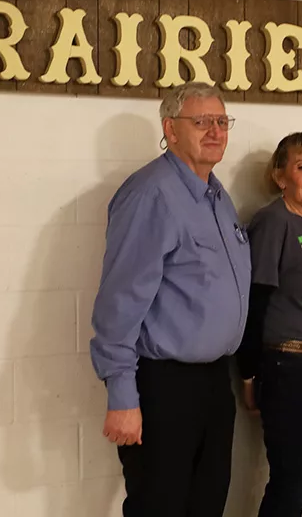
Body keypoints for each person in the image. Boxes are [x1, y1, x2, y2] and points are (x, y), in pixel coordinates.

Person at [89, 82, 251, 517]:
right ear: (170, 129)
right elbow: (119, 302)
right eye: (201, 122)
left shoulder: (217, 196)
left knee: (207, 504)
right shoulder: (151, 194)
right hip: (163, 386)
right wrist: (122, 395)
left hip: (214, 384)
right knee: (159, 507)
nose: (215, 131)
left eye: (221, 121)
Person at [235, 131, 302, 517]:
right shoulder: (273, 221)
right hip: (285, 367)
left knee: (296, 480)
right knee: (290, 482)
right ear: (281, 177)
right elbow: (255, 301)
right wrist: (249, 376)